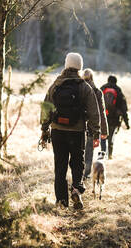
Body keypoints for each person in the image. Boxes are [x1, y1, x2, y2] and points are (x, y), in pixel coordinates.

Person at [40, 53, 100, 210]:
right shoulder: (84, 87)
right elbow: (94, 113)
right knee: (77, 162)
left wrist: (44, 128)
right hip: (77, 131)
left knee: (60, 165)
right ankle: (76, 189)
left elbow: (46, 108)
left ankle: (61, 201)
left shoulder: (56, 85)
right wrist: (96, 133)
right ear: (79, 66)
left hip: (57, 131)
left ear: (66, 65)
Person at [82, 68, 108, 179]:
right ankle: (86, 173)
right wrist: (104, 130)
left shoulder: (79, 89)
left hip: (78, 126)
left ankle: (78, 173)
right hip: (91, 127)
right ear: (92, 78)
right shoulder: (97, 92)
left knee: (78, 151)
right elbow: (102, 113)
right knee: (89, 152)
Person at [100, 75, 129, 159]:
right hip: (114, 118)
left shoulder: (102, 88)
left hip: (103, 116)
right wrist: (127, 123)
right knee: (111, 136)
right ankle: (110, 155)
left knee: (103, 136)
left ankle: (102, 154)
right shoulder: (118, 90)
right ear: (116, 81)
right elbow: (124, 109)